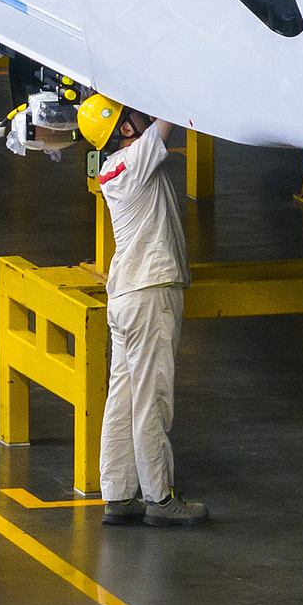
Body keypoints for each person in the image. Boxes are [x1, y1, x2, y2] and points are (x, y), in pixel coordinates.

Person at [78, 94, 208, 528]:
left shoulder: (113, 166)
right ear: (126, 130)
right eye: (131, 113)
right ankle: (159, 496)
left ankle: (117, 493)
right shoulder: (135, 159)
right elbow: (173, 114)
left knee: (124, 396)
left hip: (125, 295)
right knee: (153, 397)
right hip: (150, 293)